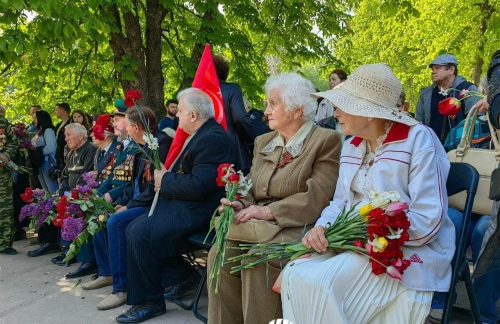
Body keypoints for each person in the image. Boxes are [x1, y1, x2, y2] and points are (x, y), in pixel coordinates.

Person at [281, 63, 455, 324]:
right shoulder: (351, 146)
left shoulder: (419, 139)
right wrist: (321, 228)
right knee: (295, 272)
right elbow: (340, 201)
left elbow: (429, 219)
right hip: (358, 242)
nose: (335, 110)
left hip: (406, 247)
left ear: (369, 112)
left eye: (343, 103)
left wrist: (368, 234)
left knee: (323, 281)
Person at [208, 72, 342, 324]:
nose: (265, 111)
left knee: (258, 259)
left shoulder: (325, 140)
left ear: (297, 110)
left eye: (273, 104)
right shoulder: (263, 141)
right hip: (259, 226)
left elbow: (318, 197)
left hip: (297, 225)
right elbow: (250, 185)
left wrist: (268, 211)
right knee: (219, 253)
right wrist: (241, 203)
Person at [115, 88, 237, 323]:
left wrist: (164, 180)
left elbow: (200, 186)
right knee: (133, 228)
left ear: (193, 115)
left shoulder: (212, 137)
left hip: (202, 211)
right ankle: (183, 275)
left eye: (179, 111)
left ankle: (150, 301)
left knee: (140, 233)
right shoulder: (201, 134)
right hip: (188, 205)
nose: (176, 116)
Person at [83, 106, 171, 311]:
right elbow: (133, 183)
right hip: (139, 201)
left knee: (115, 222)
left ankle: (121, 289)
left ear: (138, 128)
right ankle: (106, 273)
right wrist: (122, 202)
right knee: (103, 214)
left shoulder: (159, 142)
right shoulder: (140, 144)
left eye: (128, 125)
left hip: (155, 204)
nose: (125, 130)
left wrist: (129, 206)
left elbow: (155, 186)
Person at [57, 123, 99, 278]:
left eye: (68, 135)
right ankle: (69, 250)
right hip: (72, 194)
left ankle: (88, 261)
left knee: (77, 211)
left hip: (85, 194)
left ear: (80, 136)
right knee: (60, 206)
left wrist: (74, 195)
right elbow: (65, 177)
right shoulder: (71, 153)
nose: (65, 138)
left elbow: (87, 176)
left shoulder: (90, 150)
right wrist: (63, 193)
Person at [416, 54, 481, 143]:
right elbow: (419, 124)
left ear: (451, 70)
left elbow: (476, 122)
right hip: (431, 148)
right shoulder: (426, 94)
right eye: (433, 69)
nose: (433, 72)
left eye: (437, 68)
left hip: (459, 150)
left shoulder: (467, 90)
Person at [213, 55, 256, 174]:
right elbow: (240, 118)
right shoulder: (232, 88)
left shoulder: (196, 93)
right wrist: (253, 141)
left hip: (205, 153)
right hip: (233, 150)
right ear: (224, 72)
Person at [0, 111, 19, 255]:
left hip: (2, 173)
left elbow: (13, 142)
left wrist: (6, 154)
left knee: (5, 208)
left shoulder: (2, 122)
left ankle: (5, 243)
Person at [31, 110, 58, 194]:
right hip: (39, 162)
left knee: (52, 189)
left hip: (47, 162)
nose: (33, 120)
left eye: (35, 118)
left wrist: (37, 152)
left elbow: (50, 148)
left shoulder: (48, 130)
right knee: (45, 190)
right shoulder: (39, 132)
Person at [54, 102, 72, 168]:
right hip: (59, 156)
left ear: (62, 111)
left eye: (56, 110)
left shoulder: (71, 123)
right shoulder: (58, 125)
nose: (55, 112)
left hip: (69, 155)